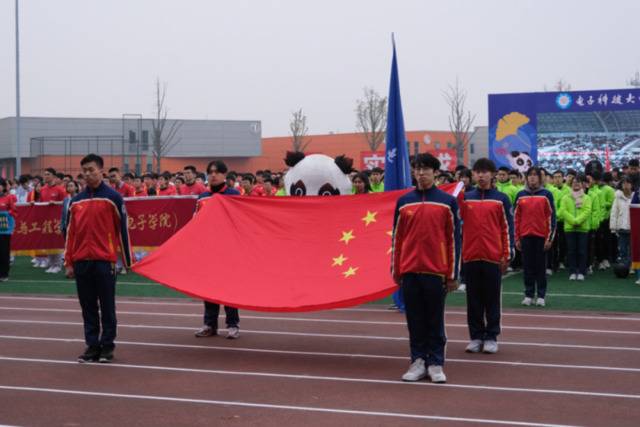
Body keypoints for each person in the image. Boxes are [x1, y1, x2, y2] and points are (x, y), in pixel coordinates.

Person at [391, 153, 460, 384]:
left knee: (434, 319)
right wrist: (396, 270)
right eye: (417, 169)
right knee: (415, 320)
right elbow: (397, 239)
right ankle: (417, 360)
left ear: (435, 172)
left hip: (435, 272)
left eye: (426, 169)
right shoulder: (404, 202)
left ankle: (436, 362)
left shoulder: (447, 202)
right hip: (410, 271)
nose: (421, 174)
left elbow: (453, 240)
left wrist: (452, 274)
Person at [64, 154, 133, 363]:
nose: (87, 174)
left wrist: (127, 261)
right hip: (82, 260)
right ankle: (92, 345)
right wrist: (69, 262)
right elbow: (70, 234)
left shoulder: (113, 198)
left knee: (107, 305)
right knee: (88, 306)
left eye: (91, 169)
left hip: (105, 261)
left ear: (101, 171)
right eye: (84, 170)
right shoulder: (76, 201)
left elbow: (123, 230)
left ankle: (107, 346)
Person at [461, 158, 513, 354]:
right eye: (477, 172)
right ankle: (475, 336)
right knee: (473, 299)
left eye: (485, 172)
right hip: (471, 256)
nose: (481, 175)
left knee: (492, 299)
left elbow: (507, 228)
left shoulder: (501, 199)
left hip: (493, 256)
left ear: (492, 174)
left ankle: (491, 336)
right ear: (473, 175)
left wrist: (507, 254)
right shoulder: (465, 198)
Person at [193, 160, 242, 339]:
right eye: (210, 172)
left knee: (229, 289)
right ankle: (209, 325)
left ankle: (232, 325)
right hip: (209, 251)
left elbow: (242, 221)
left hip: (230, 251)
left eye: (217, 172)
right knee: (209, 290)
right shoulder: (202, 197)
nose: (213, 175)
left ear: (224, 175)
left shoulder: (234, 195)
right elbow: (195, 225)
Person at [514, 166, 556, 307]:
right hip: (525, 237)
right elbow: (516, 218)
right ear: (526, 178)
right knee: (527, 267)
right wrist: (517, 238)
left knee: (540, 267)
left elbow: (551, 218)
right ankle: (528, 294)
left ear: (540, 178)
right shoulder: (520, 195)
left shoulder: (546, 195)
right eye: (530, 175)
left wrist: (549, 238)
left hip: (541, 237)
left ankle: (541, 295)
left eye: (535, 175)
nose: (532, 177)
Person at [561, 174, 592, 281]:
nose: (576, 184)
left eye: (578, 182)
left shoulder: (587, 198)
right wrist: (573, 221)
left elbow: (587, 210)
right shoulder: (565, 197)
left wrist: (577, 221)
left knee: (582, 251)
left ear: (582, 184)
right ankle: (573, 271)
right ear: (571, 184)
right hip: (569, 228)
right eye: (574, 182)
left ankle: (582, 272)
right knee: (571, 251)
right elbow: (563, 211)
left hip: (582, 228)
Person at [610, 176, 634, 269]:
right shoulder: (617, 197)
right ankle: (624, 267)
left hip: (634, 228)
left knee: (633, 249)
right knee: (623, 249)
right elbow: (613, 213)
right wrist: (613, 227)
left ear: (631, 185)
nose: (626, 185)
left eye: (628, 183)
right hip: (622, 227)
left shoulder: (636, 197)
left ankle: (633, 266)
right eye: (624, 183)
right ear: (621, 185)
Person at [0, 178, 17, 281]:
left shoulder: (8, 198)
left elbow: (15, 211)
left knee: (4, 251)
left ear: (3, 187)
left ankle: (4, 274)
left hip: (4, 230)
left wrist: (8, 213)